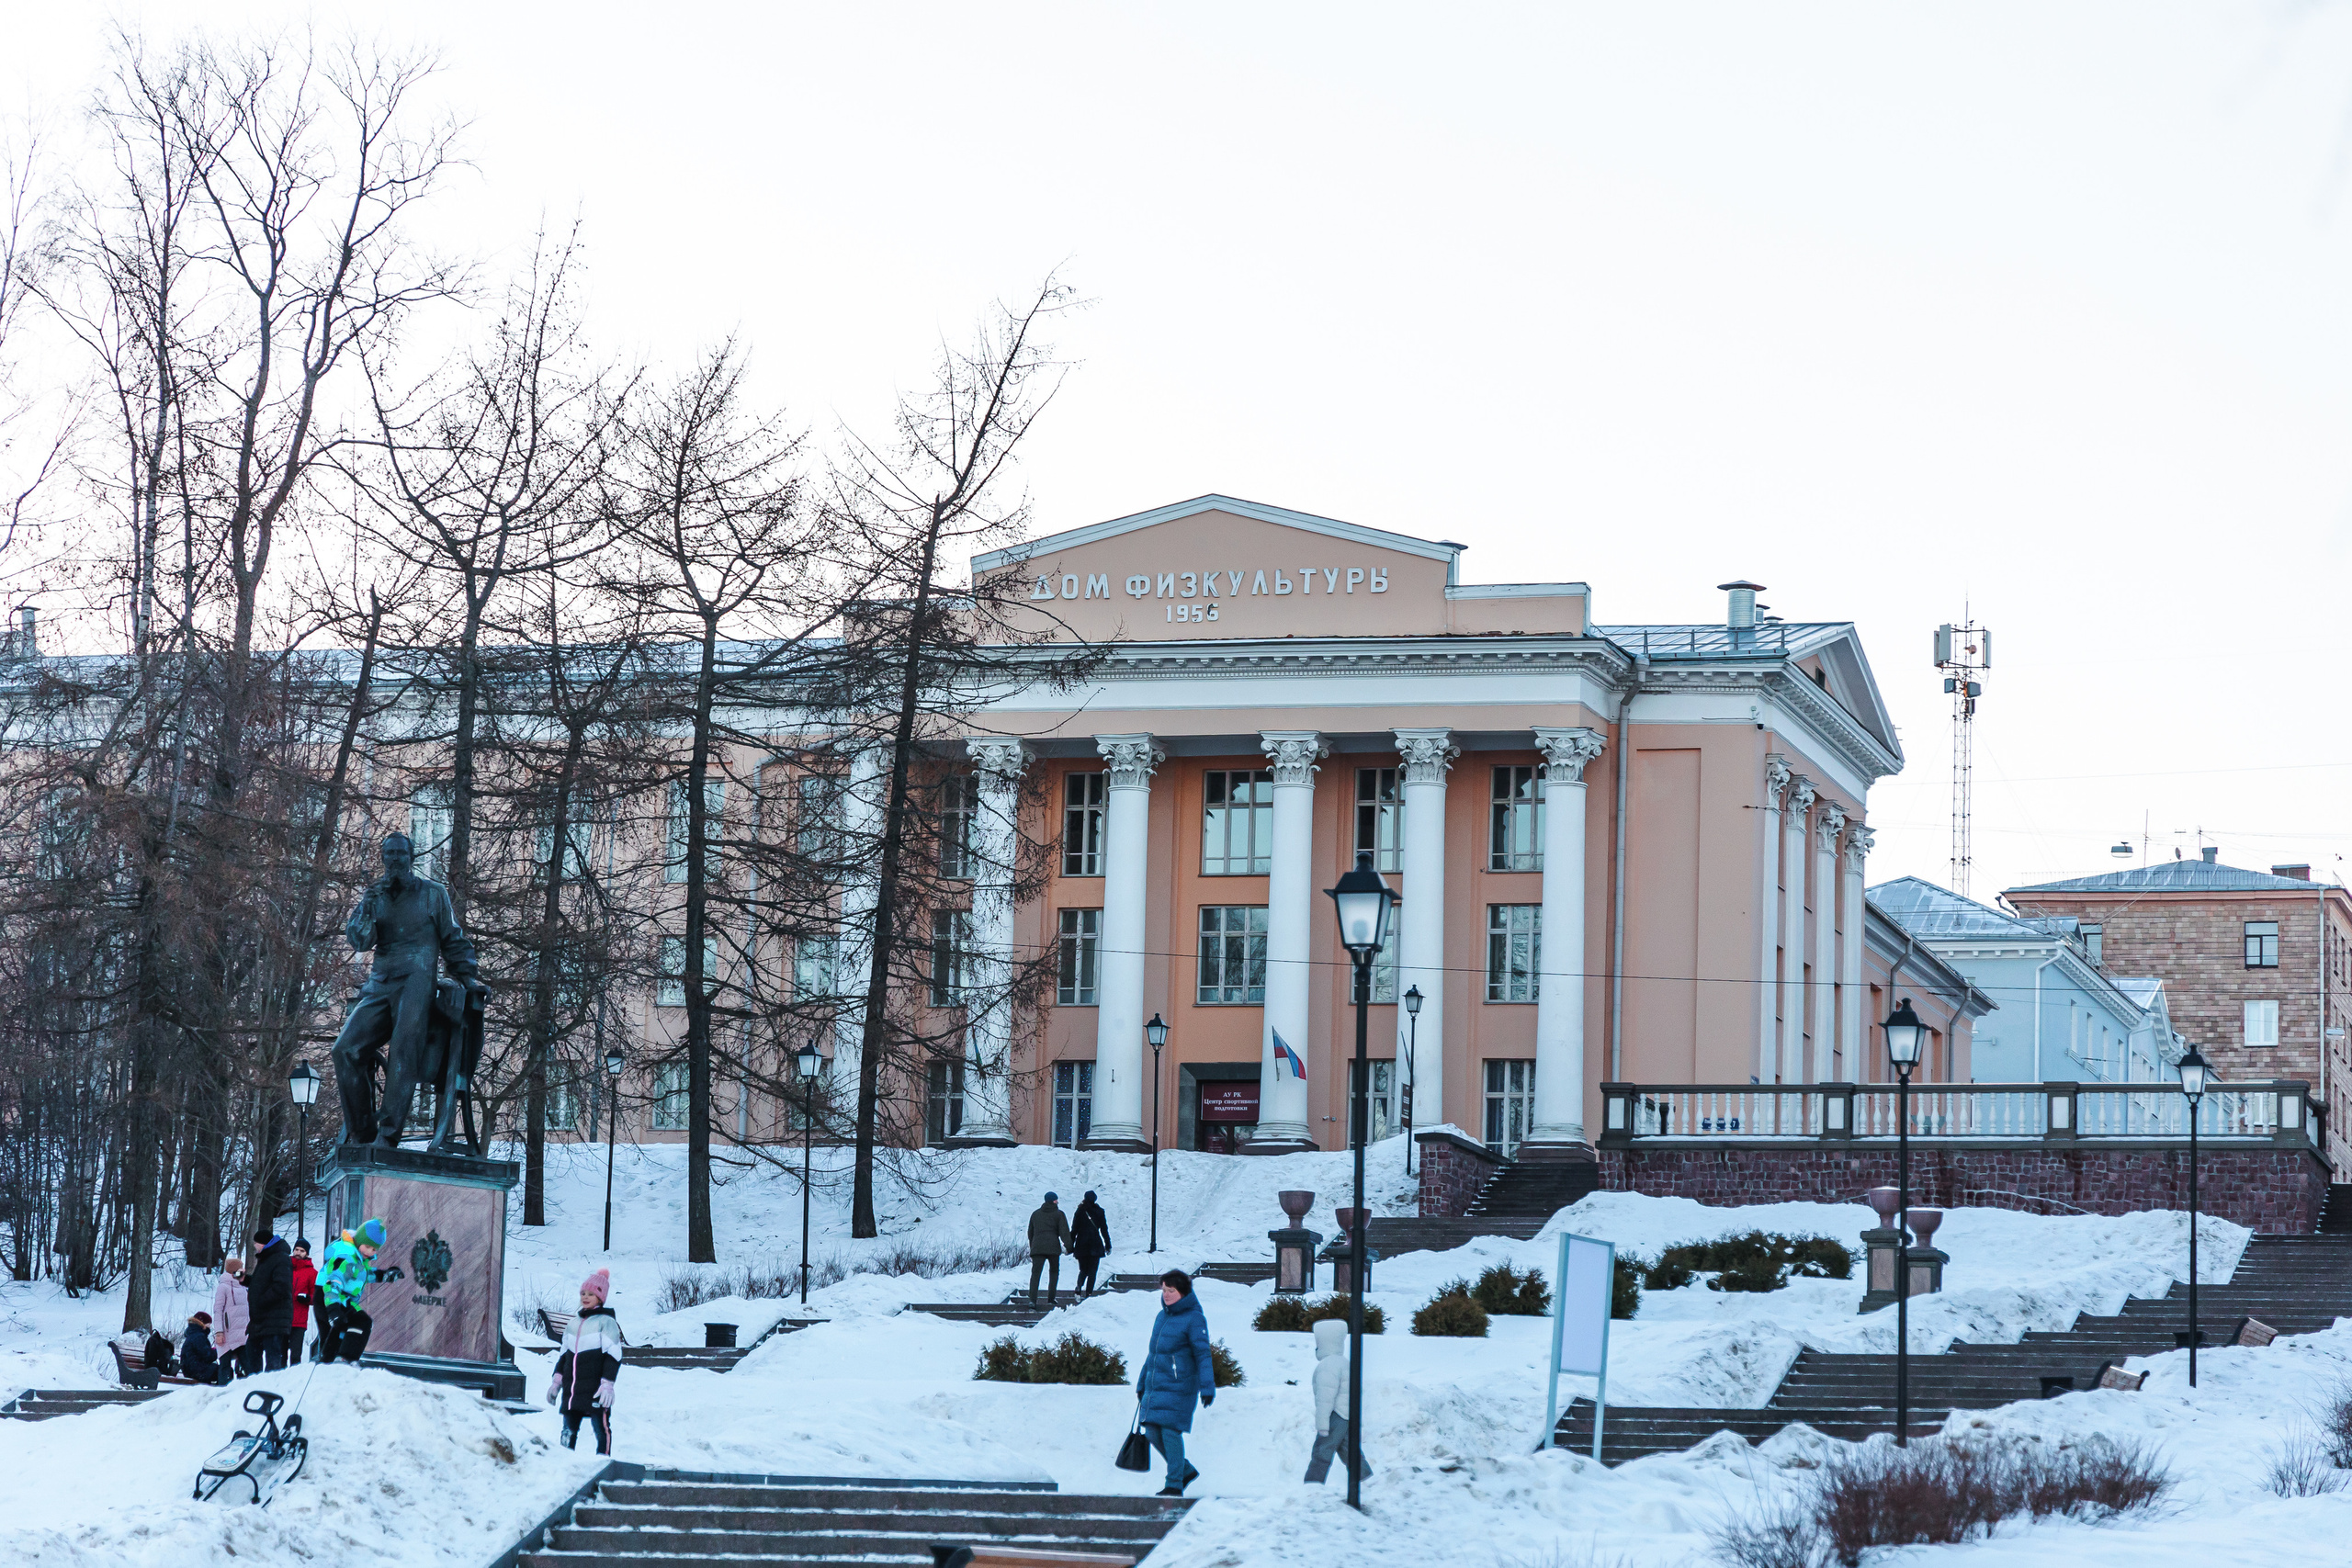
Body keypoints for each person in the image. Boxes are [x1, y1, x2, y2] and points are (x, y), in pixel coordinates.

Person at [1135, 1269, 1215, 1497]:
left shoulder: (1194, 1318)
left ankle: (1174, 1484)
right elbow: (1154, 1354)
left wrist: (1207, 1387)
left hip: (1180, 1385)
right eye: (1164, 1290)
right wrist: (1142, 1383)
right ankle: (1185, 1470)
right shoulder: (1162, 1317)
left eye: (1171, 1290)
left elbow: (1203, 1354)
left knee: (1170, 1431)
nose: (1166, 1295)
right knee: (1151, 1431)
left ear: (1183, 1292)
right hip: (1157, 1383)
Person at [548, 1269, 623, 1455]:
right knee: (568, 1430)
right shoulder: (573, 1324)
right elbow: (565, 1356)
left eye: (591, 1294)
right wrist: (556, 1383)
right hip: (572, 1390)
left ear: (601, 1297)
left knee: (600, 1428)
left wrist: (607, 1384)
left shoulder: (606, 1323)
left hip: (595, 1389)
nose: (586, 1297)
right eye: (583, 1293)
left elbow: (613, 1356)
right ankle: (565, 1462)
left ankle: (603, 1461)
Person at [318, 1217, 403, 1362]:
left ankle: (330, 1359)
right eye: (367, 1246)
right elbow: (332, 1282)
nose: (369, 1252)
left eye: (374, 1249)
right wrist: (333, 1309)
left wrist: (385, 1275)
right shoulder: (346, 1257)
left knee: (343, 1326)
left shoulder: (357, 1259)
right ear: (359, 1241)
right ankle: (345, 1358)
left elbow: (363, 1275)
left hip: (340, 1299)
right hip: (328, 1296)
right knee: (362, 1321)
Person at [1303, 1318, 1372, 1485]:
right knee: (1349, 1451)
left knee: (1321, 1452)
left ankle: (1312, 1486)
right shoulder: (1343, 1363)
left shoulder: (1328, 1365)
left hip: (1335, 1415)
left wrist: (1323, 1425)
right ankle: (1366, 1480)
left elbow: (1325, 1399)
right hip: (1347, 1414)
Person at [246, 1227, 294, 1372]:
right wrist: (246, 1280)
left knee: (272, 1358)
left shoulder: (280, 1258)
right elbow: (262, 1283)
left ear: (262, 1244)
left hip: (274, 1318)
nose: (254, 1246)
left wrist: (260, 1301)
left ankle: (270, 1389)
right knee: (251, 1353)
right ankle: (254, 1384)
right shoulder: (267, 1258)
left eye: (256, 1243)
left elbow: (282, 1287)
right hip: (261, 1319)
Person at [1026, 1191, 1072, 1307]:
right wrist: (1069, 1247)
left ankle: (1032, 1300)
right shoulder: (1059, 1214)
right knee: (1054, 1272)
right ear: (1053, 1201)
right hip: (1053, 1248)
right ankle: (1051, 1299)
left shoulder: (1035, 1214)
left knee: (1035, 1274)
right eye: (1056, 1200)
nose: (1057, 1202)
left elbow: (1030, 1232)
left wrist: (1033, 1246)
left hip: (1038, 1248)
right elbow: (1064, 1232)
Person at [209, 1258, 250, 1384]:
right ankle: (223, 1391)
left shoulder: (243, 1286)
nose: (243, 1270)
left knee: (248, 1366)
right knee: (225, 1367)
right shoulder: (223, 1287)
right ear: (234, 1270)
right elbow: (218, 1311)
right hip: (227, 1334)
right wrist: (219, 1332)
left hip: (243, 1333)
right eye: (240, 1267)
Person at [1071, 1191, 1112, 1297]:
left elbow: (1074, 1229)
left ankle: (1079, 1286)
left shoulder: (1080, 1211)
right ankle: (1089, 1293)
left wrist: (1070, 1245)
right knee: (1093, 1271)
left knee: (1083, 1269)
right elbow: (1104, 1230)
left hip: (1081, 1244)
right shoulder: (1100, 1211)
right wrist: (1108, 1245)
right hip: (1095, 1244)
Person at [289, 1239, 319, 1362]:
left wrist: (307, 1299)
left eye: (302, 1251)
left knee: (296, 1355)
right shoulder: (284, 1268)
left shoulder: (312, 1273)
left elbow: (316, 1297)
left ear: (306, 1253)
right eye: (296, 1249)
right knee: (280, 1354)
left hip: (299, 1321)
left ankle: (294, 1380)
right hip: (282, 1318)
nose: (298, 1252)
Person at [179, 1312, 219, 1384]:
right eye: (209, 1324)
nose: (210, 1327)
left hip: (190, 1369)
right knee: (225, 1371)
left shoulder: (193, 1334)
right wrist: (219, 1351)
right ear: (203, 1323)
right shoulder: (199, 1336)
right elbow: (207, 1356)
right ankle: (224, 1392)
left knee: (216, 1369)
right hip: (197, 1370)